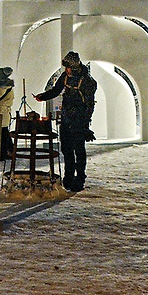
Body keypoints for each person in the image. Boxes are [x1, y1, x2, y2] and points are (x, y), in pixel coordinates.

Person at [34, 52, 97, 191]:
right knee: (66, 149)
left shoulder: (87, 81)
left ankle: (79, 179)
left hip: (79, 121)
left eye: (68, 67)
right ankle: (68, 178)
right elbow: (56, 90)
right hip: (66, 118)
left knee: (79, 150)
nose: (66, 70)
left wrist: (85, 125)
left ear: (74, 67)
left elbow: (90, 105)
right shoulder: (65, 77)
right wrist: (43, 96)